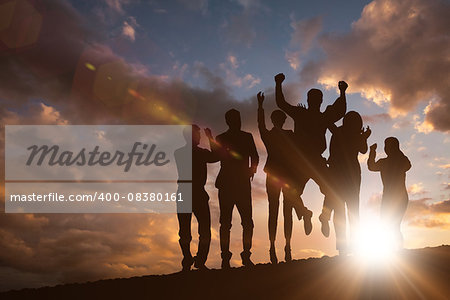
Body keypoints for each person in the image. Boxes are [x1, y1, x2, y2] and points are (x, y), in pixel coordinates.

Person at [274, 73, 347, 237]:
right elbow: (282, 104)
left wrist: (342, 93)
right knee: (291, 193)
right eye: (313, 99)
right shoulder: (302, 114)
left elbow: (340, 111)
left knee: (332, 191)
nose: (314, 101)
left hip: (315, 161)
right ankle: (305, 213)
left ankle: (324, 216)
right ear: (309, 100)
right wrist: (278, 84)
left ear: (320, 101)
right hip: (302, 161)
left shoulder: (322, 116)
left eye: (317, 99)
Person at [257, 91, 313, 264]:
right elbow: (261, 125)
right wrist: (260, 107)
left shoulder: (285, 135)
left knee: (277, 211)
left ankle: (283, 248)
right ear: (281, 121)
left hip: (279, 175)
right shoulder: (288, 135)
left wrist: (260, 107)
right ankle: (278, 248)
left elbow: (261, 125)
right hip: (278, 175)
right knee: (279, 211)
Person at [208, 109, 259, 269]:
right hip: (229, 183)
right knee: (227, 222)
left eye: (238, 118)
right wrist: (210, 139)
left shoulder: (245, 136)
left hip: (241, 183)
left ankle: (245, 255)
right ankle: (226, 258)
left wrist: (252, 169)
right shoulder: (222, 138)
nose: (238, 121)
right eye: (235, 119)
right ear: (229, 121)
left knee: (246, 222)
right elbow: (216, 156)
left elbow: (255, 156)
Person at [321, 111, 371, 255]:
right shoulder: (341, 133)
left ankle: (347, 247)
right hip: (346, 175)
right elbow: (362, 149)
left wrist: (363, 137)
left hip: (350, 176)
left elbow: (363, 149)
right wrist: (363, 137)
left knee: (345, 211)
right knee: (347, 212)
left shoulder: (340, 132)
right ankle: (345, 247)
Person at [174, 125, 218, 271]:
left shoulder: (179, 153)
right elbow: (216, 156)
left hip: (185, 192)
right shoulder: (200, 153)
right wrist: (210, 138)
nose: (199, 137)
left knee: (185, 230)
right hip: (196, 193)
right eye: (198, 135)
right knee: (203, 230)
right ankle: (197, 260)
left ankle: (188, 259)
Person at [368, 137, 411, 248]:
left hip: (399, 197)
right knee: (387, 225)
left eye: (389, 146)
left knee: (394, 225)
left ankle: (398, 249)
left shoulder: (401, 161)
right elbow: (371, 166)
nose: (386, 148)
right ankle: (393, 249)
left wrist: (373, 151)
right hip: (388, 198)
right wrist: (372, 152)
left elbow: (408, 165)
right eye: (386, 146)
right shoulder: (384, 162)